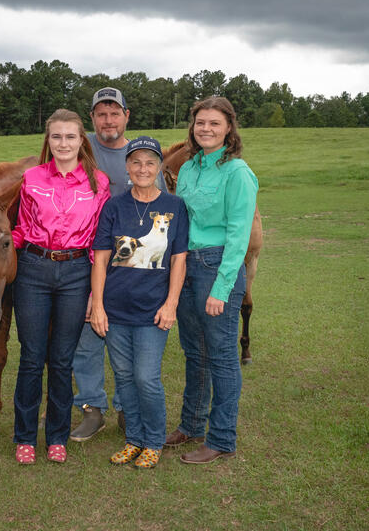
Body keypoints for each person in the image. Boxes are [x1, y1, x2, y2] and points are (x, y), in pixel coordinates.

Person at [11, 108, 111, 464]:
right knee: (32, 357)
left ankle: (56, 436)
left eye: (70, 136)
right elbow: (21, 228)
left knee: (62, 359)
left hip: (75, 274)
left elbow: (101, 240)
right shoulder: (32, 177)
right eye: (57, 136)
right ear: (48, 140)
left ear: (81, 139)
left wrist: (95, 293)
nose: (63, 143)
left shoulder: (98, 181)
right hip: (34, 270)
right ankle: (24, 436)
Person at [71, 87, 168, 441]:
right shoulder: (80, 151)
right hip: (87, 259)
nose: (108, 120)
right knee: (87, 336)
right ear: (92, 119)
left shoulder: (140, 155)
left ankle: (128, 408)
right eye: (101, 114)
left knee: (125, 336)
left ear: (127, 115)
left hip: (132, 264)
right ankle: (92, 407)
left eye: (114, 113)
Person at [165, 96, 258, 464]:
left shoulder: (238, 173)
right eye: (200, 123)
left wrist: (221, 288)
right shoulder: (188, 169)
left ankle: (221, 438)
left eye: (214, 124)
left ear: (229, 129)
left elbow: (239, 236)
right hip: (186, 266)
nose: (206, 129)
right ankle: (192, 424)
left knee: (220, 355)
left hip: (217, 266)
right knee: (194, 352)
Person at [89, 136, 188, 469]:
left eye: (150, 162)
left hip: (153, 311)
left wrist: (171, 303)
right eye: (136, 162)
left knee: (146, 377)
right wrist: (98, 306)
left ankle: (153, 440)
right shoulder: (114, 206)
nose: (142, 169)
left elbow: (178, 260)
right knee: (125, 377)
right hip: (116, 310)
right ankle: (133, 438)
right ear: (127, 167)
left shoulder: (175, 207)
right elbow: (101, 259)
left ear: (159, 167)